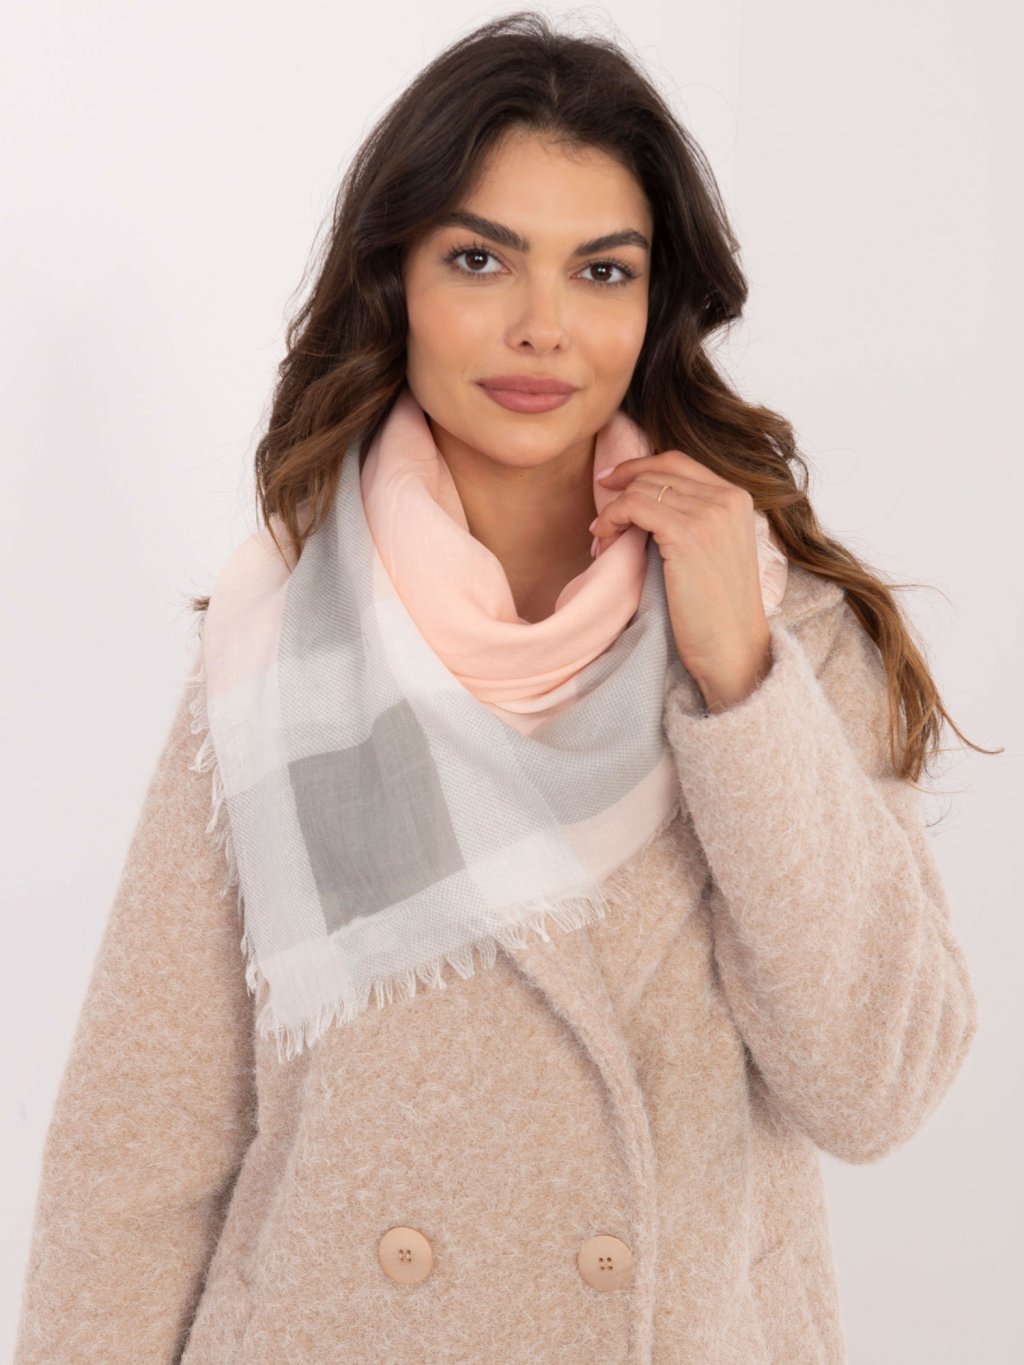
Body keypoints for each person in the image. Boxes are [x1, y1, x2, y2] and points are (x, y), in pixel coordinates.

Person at [14, 13, 987, 1364]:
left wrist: (740, 686)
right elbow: (140, 1150)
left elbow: (876, 1089)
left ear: (653, 305)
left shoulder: (785, 627)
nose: (543, 327)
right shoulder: (282, 645)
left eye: (602, 270)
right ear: (397, 282)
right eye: (480, 259)